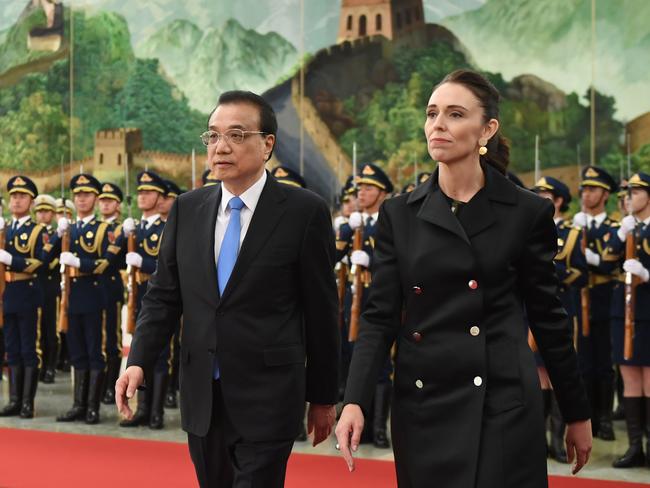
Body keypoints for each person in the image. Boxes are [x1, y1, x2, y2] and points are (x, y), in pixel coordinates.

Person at [335, 69, 592, 488]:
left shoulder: (526, 212)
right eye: (432, 113)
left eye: (455, 114)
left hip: (502, 402)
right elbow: (380, 318)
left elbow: (548, 318)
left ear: (486, 129)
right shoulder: (399, 215)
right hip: (424, 403)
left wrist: (577, 413)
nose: (438, 124)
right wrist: (355, 400)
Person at [116, 90, 340, 488]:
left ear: (267, 144)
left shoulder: (304, 212)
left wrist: (323, 396)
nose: (221, 147)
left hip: (268, 396)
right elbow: (164, 296)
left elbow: (321, 310)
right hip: (203, 393)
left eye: (236, 135)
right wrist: (138, 360)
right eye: (213, 136)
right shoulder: (188, 209)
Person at [336, 163, 394, 449]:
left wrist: (372, 260)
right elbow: (331, 258)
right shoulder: (352, 226)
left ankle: (378, 429)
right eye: (359, 188)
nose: (362, 193)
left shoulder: (391, 222)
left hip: (379, 300)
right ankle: (358, 425)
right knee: (352, 359)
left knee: (380, 365)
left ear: (383, 193)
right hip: (353, 301)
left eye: (368, 188)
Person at [533, 176, 588, 463]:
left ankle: (557, 438)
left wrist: (549, 274)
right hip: (531, 312)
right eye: (537, 194)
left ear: (559, 201)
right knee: (539, 373)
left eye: (546, 196)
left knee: (556, 373)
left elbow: (581, 273)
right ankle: (540, 437)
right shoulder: (527, 228)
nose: (541, 199)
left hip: (562, 307)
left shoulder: (572, 233)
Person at [54, 174, 117, 425]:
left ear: (96, 198)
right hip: (73, 297)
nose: (81, 199)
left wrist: (79, 262)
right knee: (77, 353)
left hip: (94, 297)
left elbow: (104, 263)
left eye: (87, 194)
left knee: (95, 352)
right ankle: (78, 404)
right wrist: (59, 238)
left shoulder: (106, 230)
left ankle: (92, 406)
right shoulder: (69, 229)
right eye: (77, 195)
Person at [604, 172, 650, 468]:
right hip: (625, 310)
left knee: (649, 376)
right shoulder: (627, 227)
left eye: (635, 190)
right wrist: (621, 235)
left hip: (648, 310)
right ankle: (635, 447)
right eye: (627, 191)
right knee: (630, 377)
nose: (629, 196)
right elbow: (605, 259)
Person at [572, 166, 620, 441]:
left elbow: (608, 263)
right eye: (584, 188)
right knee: (582, 361)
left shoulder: (613, 228)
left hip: (604, 300)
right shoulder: (573, 227)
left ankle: (606, 418)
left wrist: (587, 255)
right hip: (577, 300)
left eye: (591, 189)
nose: (585, 193)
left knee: (604, 362)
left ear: (604, 194)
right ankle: (586, 415)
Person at [119, 170, 169, 430]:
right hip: (137, 295)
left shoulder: (167, 228)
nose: (142, 196)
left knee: (159, 356)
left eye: (148, 192)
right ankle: (143, 409)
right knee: (140, 354)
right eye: (140, 192)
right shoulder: (133, 229)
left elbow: (169, 265)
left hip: (158, 296)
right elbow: (114, 257)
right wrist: (122, 235)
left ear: (160, 198)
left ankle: (156, 412)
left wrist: (144, 262)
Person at [0, 176, 46, 418]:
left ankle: (28, 402)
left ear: (31, 201)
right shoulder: (3, 229)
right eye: (13, 196)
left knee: (29, 348)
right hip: (7, 294)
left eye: (22, 197)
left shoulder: (38, 231)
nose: (16, 201)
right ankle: (14, 400)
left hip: (27, 292)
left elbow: (40, 262)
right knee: (12, 349)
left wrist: (11, 260)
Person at [97, 182, 125, 405]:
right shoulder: (94, 227)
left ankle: (110, 386)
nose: (105, 204)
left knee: (111, 340)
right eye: (102, 200)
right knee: (97, 339)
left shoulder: (119, 230)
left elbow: (107, 261)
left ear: (118, 205)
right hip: (92, 290)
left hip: (110, 288)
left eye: (109, 200)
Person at [33, 194, 60, 384]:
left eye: (46, 211)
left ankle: (51, 366)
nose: (42, 215)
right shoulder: (32, 234)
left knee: (51, 329)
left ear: (52, 213)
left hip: (51, 287)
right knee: (37, 330)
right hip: (34, 286)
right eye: (39, 211)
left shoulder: (58, 235)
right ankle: (40, 366)